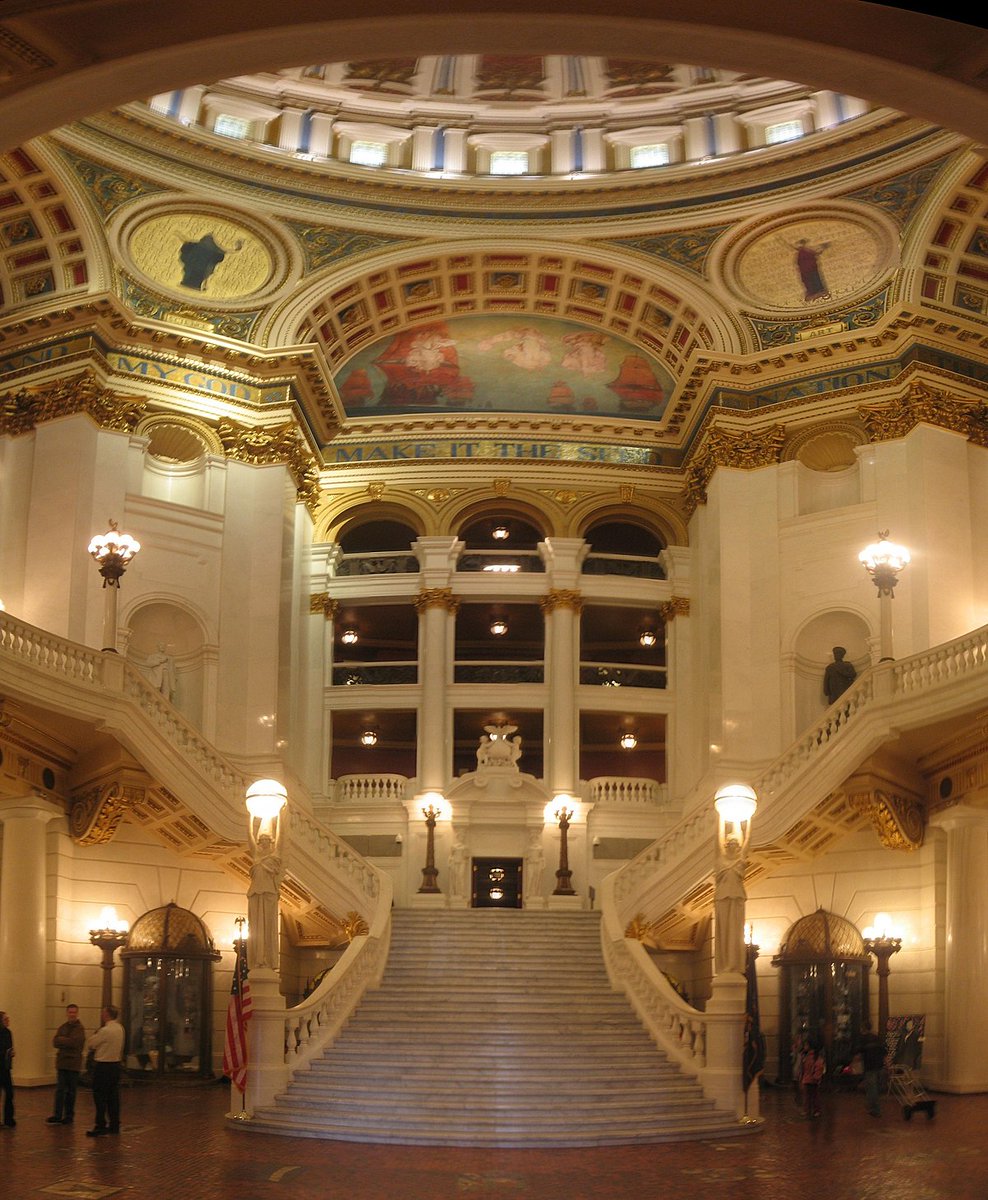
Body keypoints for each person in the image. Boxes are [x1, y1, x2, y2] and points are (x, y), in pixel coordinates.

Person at [247, 813, 286, 970]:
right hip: (255, 893)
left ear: (271, 842)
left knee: (269, 928)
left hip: (269, 893)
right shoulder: (256, 855)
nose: (264, 843)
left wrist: (281, 815)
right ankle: (258, 959)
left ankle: (269, 960)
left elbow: (281, 835)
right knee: (255, 929)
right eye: (261, 840)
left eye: (266, 840)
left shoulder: (275, 855)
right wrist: (250, 817)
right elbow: (249, 835)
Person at [84, 1005, 125, 1137]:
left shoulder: (105, 1030)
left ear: (107, 1014)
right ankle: (114, 1124)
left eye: (103, 1013)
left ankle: (100, 1125)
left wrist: (95, 1035)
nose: (102, 1015)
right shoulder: (120, 1029)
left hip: (103, 1066)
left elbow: (91, 1044)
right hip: (115, 1065)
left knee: (100, 1097)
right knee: (113, 1096)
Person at [48, 1003, 86, 1124]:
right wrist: (65, 1040)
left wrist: (62, 1040)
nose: (72, 1014)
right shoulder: (63, 1027)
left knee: (71, 1091)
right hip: (62, 1063)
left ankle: (69, 1116)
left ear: (77, 1013)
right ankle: (57, 1114)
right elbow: (55, 1041)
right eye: (70, 1012)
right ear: (67, 1013)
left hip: (73, 1064)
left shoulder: (80, 1028)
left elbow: (75, 1043)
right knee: (60, 1090)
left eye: (74, 1012)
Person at [859, 1021, 886, 1118]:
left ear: (863, 1028)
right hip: (879, 1065)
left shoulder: (863, 1039)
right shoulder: (877, 1037)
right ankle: (873, 1107)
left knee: (871, 1089)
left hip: (869, 1066)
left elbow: (859, 1052)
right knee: (876, 1088)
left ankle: (874, 1109)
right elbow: (884, 1051)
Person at [800, 1037, 826, 1119]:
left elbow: (819, 1066)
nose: (804, 1046)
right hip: (807, 1079)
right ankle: (808, 1110)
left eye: (806, 1045)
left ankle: (815, 1110)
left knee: (813, 1096)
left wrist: (816, 1077)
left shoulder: (815, 1056)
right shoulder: (806, 1055)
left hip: (812, 1080)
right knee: (808, 1096)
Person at [0, 1011, 14, 1128]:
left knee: (10, 1093)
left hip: (5, 1068)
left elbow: (9, 1047)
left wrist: (10, 1053)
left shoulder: (8, 1033)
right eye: (5, 1019)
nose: (8, 1021)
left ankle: (9, 1119)